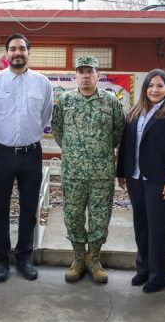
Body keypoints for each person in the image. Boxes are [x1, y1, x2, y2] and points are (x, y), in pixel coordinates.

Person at [0, 33, 53, 282]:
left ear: (28, 53)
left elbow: (45, 117)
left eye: (22, 48)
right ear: (6, 53)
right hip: (1, 154)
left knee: (29, 209)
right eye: (13, 49)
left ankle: (24, 258)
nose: (17, 53)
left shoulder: (42, 83)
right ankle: (1, 260)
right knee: (0, 209)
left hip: (31, 154)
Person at [51, 56, 125, 284]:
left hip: (101, 174)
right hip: (73, 173)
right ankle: (78, 259)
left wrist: (99, 153)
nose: (85, 75)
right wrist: (75, 153)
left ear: (97, 76)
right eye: (81, 72)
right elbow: (57, 130)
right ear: (76, 76)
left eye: (89, 71)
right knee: (72, 217)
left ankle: (94, 260)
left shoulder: (110, 102)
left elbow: (118, 131)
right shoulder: (65, 101)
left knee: (100, 219)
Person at [116, 69, 165, 293]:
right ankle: (143, 269)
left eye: (159, 86)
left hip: (159, 180)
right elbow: (126, 144)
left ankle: (158, 277)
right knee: (141, 227)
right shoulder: (135, 112)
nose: (154, 90)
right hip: (136, 178)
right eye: (150, 86)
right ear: (144, 88)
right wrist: (122, 172)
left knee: (158, 230)